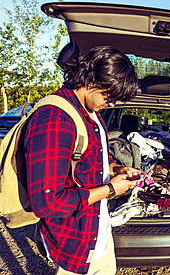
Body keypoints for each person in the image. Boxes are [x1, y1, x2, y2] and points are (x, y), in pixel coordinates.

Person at [25, 45, 146, 275]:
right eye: (110, 96)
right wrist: (111, 189)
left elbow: (93, 156)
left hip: (98, 234)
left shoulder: (90, 111)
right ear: (92, 80)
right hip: (75, 242)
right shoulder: (55, 118)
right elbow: (47, 202)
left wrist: (115, 168)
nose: (111, 104)